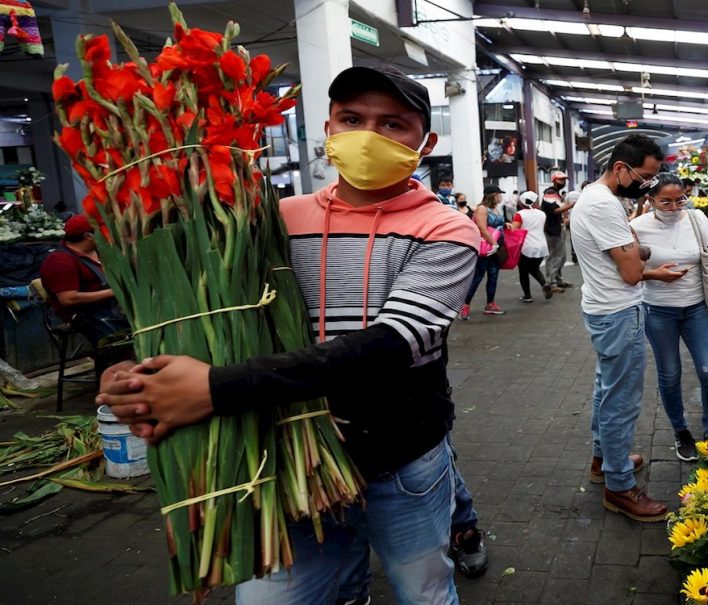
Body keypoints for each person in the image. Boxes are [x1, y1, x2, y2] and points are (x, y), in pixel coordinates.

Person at [97, 65, 482, 605]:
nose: (369, 136)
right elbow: (220, 315)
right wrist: (144, 373)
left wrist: (214, 387)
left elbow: (394, 343)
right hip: (285, 458)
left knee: (424, 592)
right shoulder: (272, 219)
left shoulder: (445, 227)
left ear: (426, 141)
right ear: (328, 129)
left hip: (399, 461)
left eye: (392, 124)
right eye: (352, 119)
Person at [570, 134, 667, 523]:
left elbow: (635, 252)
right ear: (620, 168)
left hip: (606, 309)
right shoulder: (602, 206)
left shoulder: (599, 200)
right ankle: (620, 486)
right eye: (644, 177)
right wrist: (642, 259)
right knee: (621, 401)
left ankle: (604, 461)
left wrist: (635, 249)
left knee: (606, 389)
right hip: (618, 312)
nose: (647, 186)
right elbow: (631, 271)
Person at [630, 173, 708, 462]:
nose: (675, 208)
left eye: (680, 200)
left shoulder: (696, 219)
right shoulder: (636, 227)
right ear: (651, 200)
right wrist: (654, 274)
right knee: (670, 373)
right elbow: (628, 271)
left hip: (697, 308)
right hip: (658, 310)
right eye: (666, 202)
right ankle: (681, 431)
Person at [39, 214, 130, 349]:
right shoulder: (60, 261)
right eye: (103, 231)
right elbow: (68, 299)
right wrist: (114, 292)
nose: (107, 234)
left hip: (111, 308)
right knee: (120, 345)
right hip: (85, 315)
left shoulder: (99, 251)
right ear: (89, 236)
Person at [460, 184, 507, 320]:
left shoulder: (495, 209)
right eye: (499, 194)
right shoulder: (482, 208)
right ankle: (465, 305)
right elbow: (482, 227)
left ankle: (490, 304)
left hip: (496, 248)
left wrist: (505, 225)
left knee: (493, 276)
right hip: (486, 248)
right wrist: (493, 243)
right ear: (492, 195)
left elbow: (496, 225)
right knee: (477, 277)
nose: (500, 196)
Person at [510, 191, 552, 302]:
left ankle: (527, 295)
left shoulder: (520, 214)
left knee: (523, 271)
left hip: (526, 247)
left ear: (521, 202)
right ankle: (544, 284)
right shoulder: (541, 214)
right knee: (534, 268)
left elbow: (513, 229)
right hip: (541, 245)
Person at [541, 170, 574, 289]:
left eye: (564, 180)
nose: (563, 182)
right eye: (561, 179)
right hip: (552, 228)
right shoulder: (550, 192)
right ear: (554, 180)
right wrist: (571, 205)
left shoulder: (556, 193)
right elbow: (553, 211)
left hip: (556, 227)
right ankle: (551, 282)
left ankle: (558, 279)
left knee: (561, 255)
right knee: (554, 255)